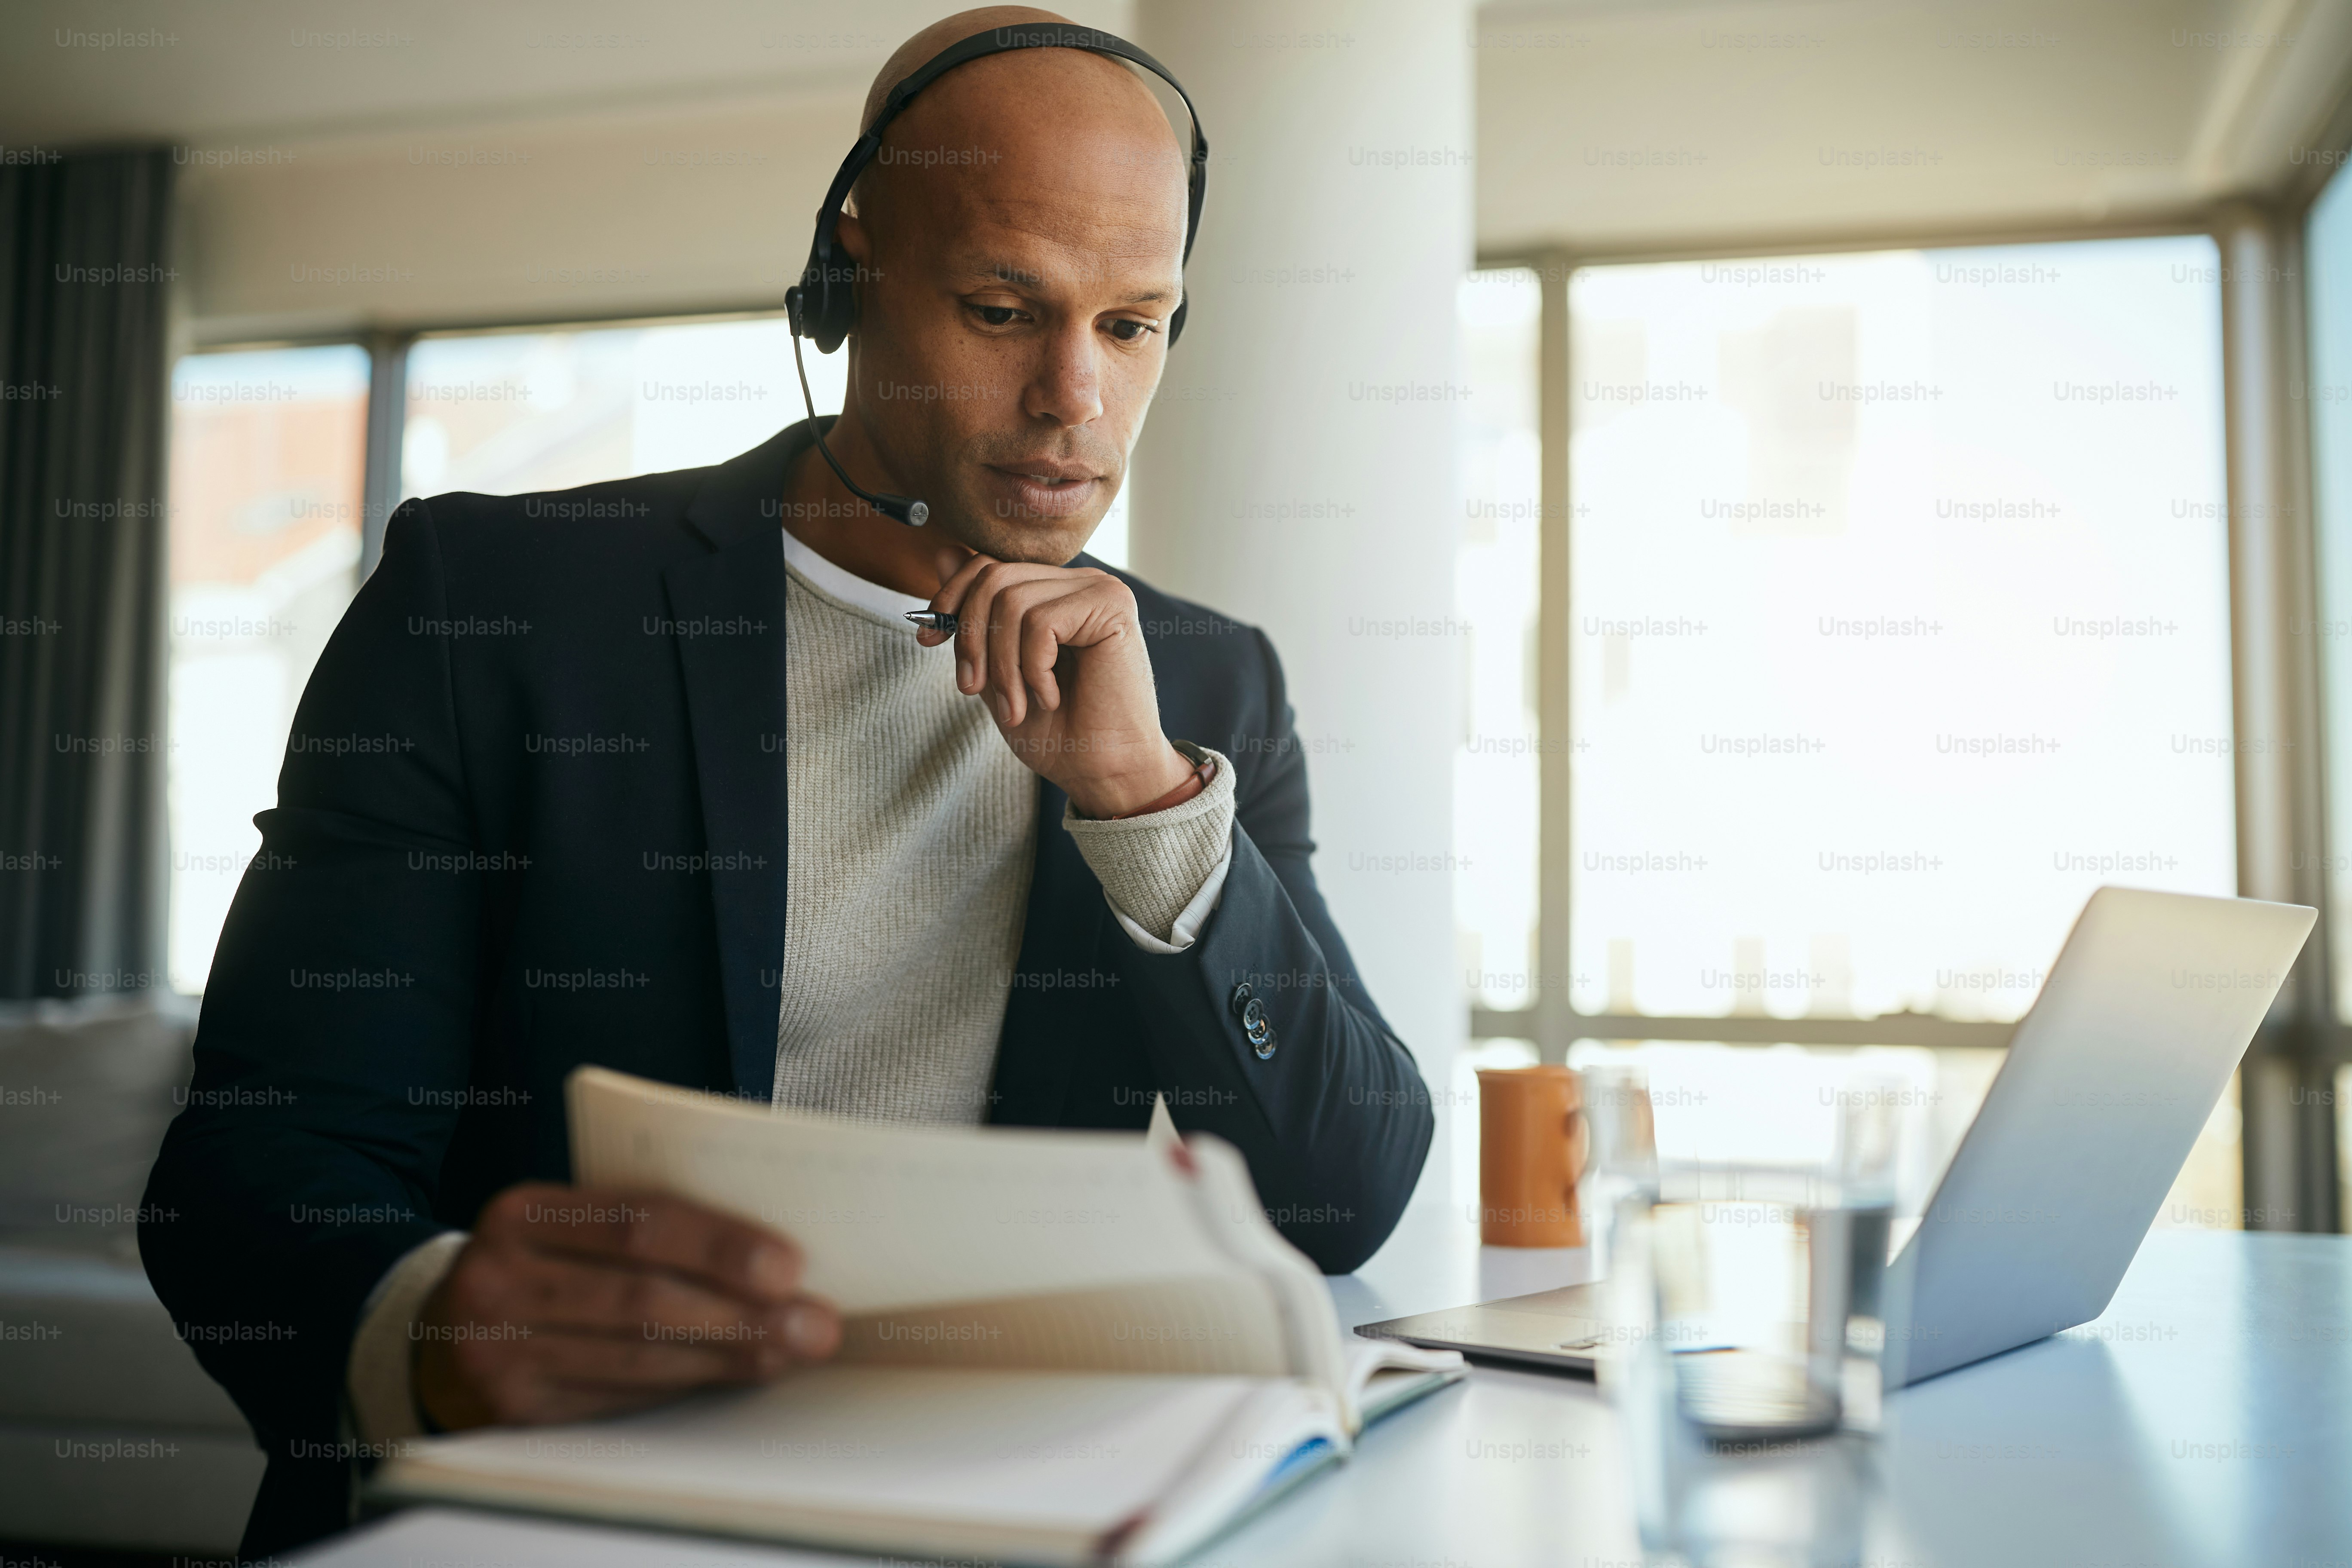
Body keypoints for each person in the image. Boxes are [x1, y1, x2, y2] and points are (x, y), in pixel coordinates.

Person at [141, 7, 1433, 1555]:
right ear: (848, 277)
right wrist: (428, 1329)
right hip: (545, 1518)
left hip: (988, 1517)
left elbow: (1344, 1196)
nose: (1075, 400)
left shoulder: (1207, 687)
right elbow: (257, 1161)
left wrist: (1150, 808)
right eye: (1003, 307)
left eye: (1134, 324)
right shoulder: (492, 601)